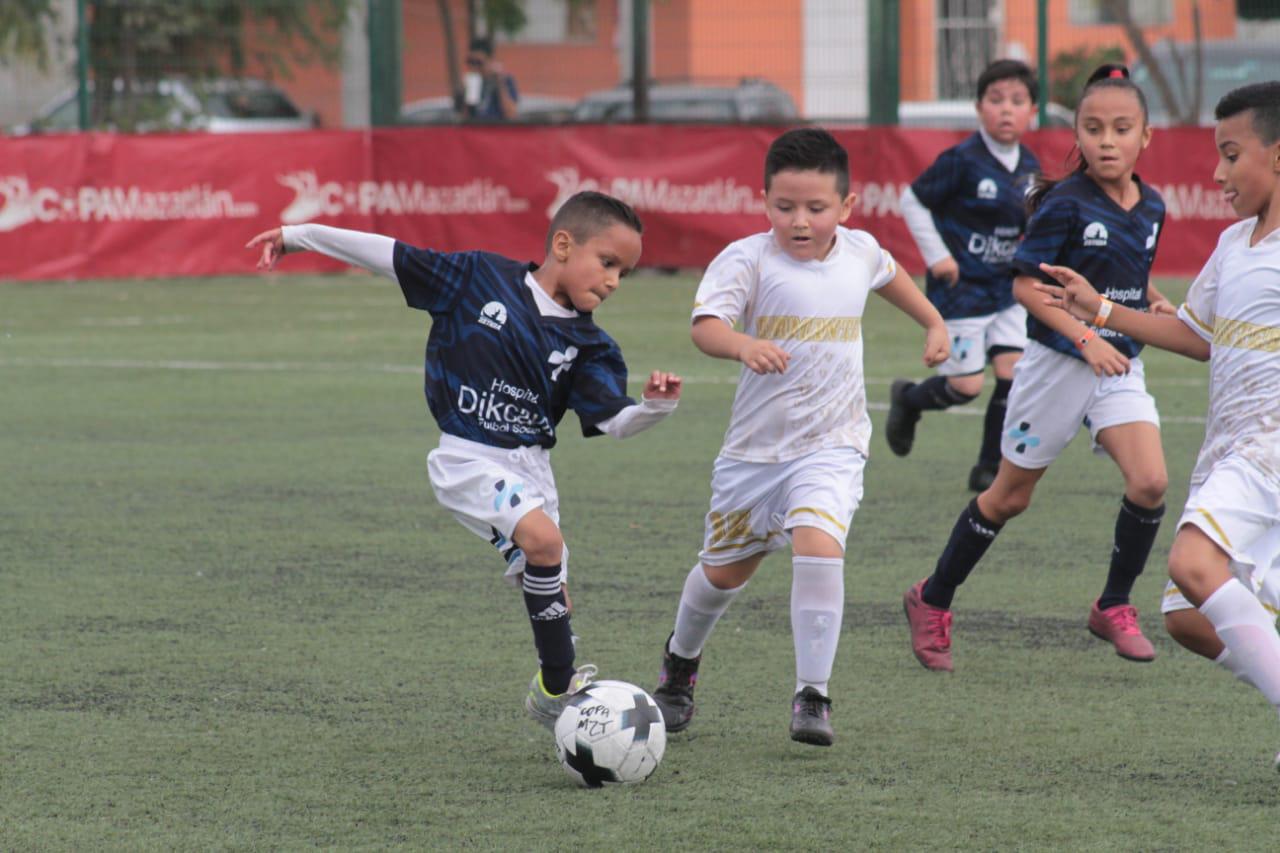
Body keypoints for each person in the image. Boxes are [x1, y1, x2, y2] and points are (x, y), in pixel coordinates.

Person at [244, 191, 682, 729]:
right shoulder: (478, 280)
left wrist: (656, 408)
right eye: (608, 262)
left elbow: (616, 422)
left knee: (549, 577)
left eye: (625, 273)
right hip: (467, 459)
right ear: (564, 244)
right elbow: (389, 255)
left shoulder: (591, 347)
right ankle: (563, 685)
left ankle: (551, 689)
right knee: (546, 543)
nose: (614, 280)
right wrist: (298, 236)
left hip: (532, 470)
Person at [648, 128, 949, 745]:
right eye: (785, 207)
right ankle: (680, 663)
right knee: (722, 576)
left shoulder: (860, 251)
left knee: (819, 545)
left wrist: (932, 319)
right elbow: (706, 326)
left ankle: (813, 695)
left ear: (847, 206)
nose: (800, 221)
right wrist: (743, 344)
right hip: (753, 456)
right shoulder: (748, 258)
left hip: (833, 445)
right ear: (765, 202)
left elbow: (890, 275)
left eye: (815, 208)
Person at [1035, 81, 1280, 768]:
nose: (1217, 173)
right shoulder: (1236, 243)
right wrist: (1099, 310)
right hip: (1232, 446)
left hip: (1269, 447)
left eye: (1232, 155)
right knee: (1186, 619)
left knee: (1192, 564)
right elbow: (1197, 335)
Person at [902, 64, 1176, 672]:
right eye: (1094, 128)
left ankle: (1112, 604)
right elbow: (1027, 287)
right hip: (1057, 366)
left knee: (1151, 482)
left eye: (1122, 128)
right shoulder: (1064, 203)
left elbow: (1126, 274)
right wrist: (1084, 339)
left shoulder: (1153, 205)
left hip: (1118, 365)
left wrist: (1150, 298)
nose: (1107, 140)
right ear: (1075, 136)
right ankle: (933, 596)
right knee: (1008, 498)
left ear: (1146, 137)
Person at [889, 59, 1043, 493]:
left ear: (1033, 111)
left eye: (1017, 101)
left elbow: (1032, 223)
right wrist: (939, 257)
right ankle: (908, 399)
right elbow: (912, 201)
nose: (1006, 110)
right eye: (996, 101)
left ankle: (988, 468)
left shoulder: (1031, 167)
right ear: (979, 108)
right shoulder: (961, 160)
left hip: (1007, 289)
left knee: (1012, 374)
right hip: (962, 292)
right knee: (966, 385)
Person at [462, 36, 519, 121]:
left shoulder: (505, 80)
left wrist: (499, 83)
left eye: (478, 62)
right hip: (476, 132)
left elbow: (511, 115)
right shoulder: (473, 82)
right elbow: (465, 119)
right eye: (470, 62)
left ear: (490, 61)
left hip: (497, 131)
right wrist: (469, 92)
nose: (474, 67)